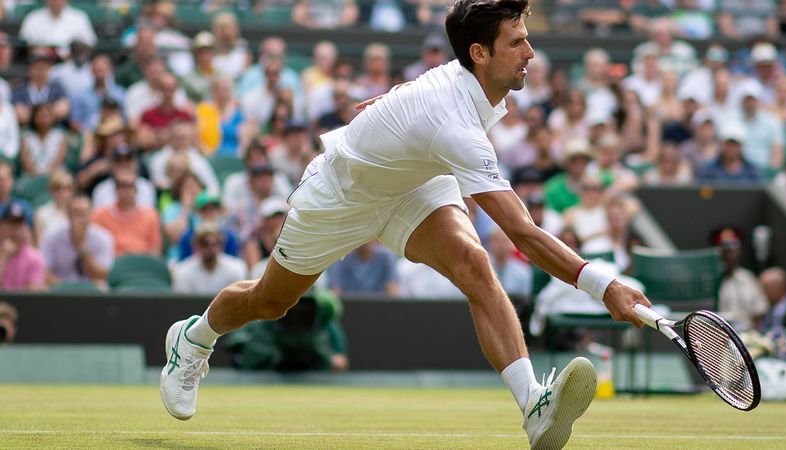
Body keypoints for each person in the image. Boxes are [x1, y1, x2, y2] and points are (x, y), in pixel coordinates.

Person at [160, 3, 650, 449]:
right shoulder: (456, 126)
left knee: (474, 262)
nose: (531, 51)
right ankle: (194, 338)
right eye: (517, 42)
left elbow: (415, 95)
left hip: (414, 184)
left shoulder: (468, 84)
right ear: (479, 53)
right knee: (269, 302)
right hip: (342, 194)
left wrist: (389, 104)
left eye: (526, 38)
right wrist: (604, 286)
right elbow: (521, 232)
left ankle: (533, 407)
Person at [41, 194, 114, 287]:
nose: (80, 219)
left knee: (102, 286)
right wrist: (67, 288)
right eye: (76, 213)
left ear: (90, 214)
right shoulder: (51, 236)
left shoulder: (103, 238)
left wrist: (81, 247)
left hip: (91, 290)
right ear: (68, 214)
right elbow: (44, 272)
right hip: (59, 289)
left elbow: (102, 275)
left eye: (83, 213)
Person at [714, 227, 767, 333]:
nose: (729, 254)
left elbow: (760, 312)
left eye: (732, 249)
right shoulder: (711, 280)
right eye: (724, 249)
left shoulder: (748, 278)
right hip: (718, 337)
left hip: (745, 336)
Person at [172, 222, 248, 295]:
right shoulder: (183, 272)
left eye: (216, 243)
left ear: (222, 245)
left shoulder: (236, 269)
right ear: (196, 245)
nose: (211, 248)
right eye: (205, 243)